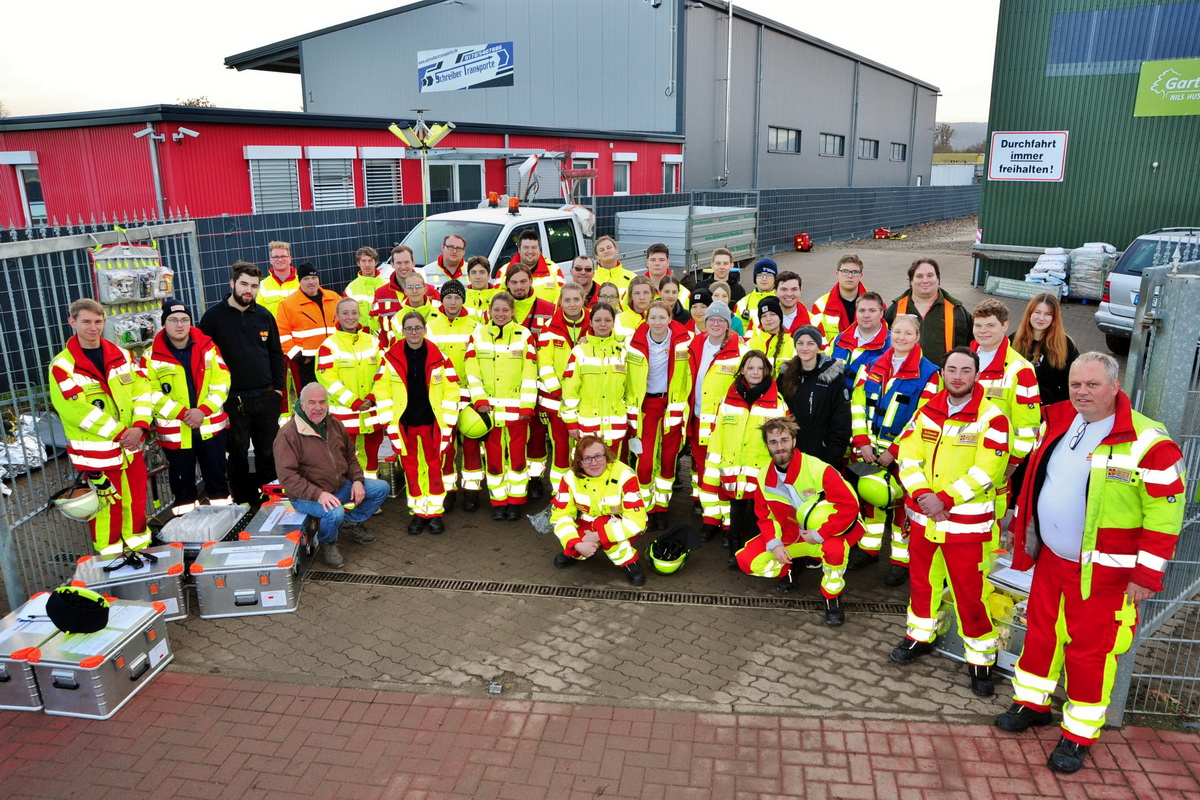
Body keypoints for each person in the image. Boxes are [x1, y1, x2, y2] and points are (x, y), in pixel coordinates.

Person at [995, 352, 1185, 774]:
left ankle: (1078, 733)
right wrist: (1022, 528)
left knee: (1091, 654)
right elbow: (1040, 479)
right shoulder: (1061, 420)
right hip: (1053, 562)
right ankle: (1032, 703)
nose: (1081, 392)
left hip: (1107, 577)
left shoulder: (1149, 443)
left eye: (1092, 385)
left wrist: (1146, 575)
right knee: (1041, 635)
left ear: (1115, 386)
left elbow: (1165, 517)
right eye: (1077, 384)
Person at [889, 347, 1011, 699]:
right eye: (951, 369)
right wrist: (924, 495)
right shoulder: (927, 411)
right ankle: (919, 638)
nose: (958, 376)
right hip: (927, 521)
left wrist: (944, 500)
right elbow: (908, 457)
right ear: (942, 373)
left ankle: (981, 662)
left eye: (965, 370)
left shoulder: (993, 419)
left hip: (966, 529)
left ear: (976, 375)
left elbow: (987, 471)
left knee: (969, 596)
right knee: (922, 585)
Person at [737, 417, 865, 627]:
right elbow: (765, 516)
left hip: (825, 536)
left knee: (835, 552)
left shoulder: (818, 469)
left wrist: (819, 534)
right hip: (790, 537)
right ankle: (790, 568)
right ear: (767, 445)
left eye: (784, 440)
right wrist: (774, 544)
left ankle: (832, 597)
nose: (780, 447)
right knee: (747, 561)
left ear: (794, 441)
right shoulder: (763, 477)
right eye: (773, 442)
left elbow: (849, 506)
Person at [49, 299, 153, 555]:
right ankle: (110, 558)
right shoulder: (62, 367)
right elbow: (77, 412)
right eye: (86, 322)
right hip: (98, 455)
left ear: (104, 321)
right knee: (107, 510)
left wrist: (139, 427)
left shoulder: (123, 355)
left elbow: (143, 393)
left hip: (131, 447)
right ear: (72, 322)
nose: (93, 328)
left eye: (98, 321)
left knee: (136, 502)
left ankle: (140, 548)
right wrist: (122, 433)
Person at [848, 314, 940, 579]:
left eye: (908, 333)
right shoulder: (874, 365)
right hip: (869, 451)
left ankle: (900, 561)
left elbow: (923, 420)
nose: (901, 337)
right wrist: (862, 442)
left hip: (904, 457)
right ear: (890, 333)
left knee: (902, 509)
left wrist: (894, 452)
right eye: (897, 332)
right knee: (871, 500)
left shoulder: (930, 374)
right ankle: (869, 548)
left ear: (918, 337)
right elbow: (857, 404)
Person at [198, 261, 286, 505]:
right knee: (236, 455)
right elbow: (204, 361)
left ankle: (270, 502)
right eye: (244, 284)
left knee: (267, 453)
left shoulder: (264, 316)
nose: (249, 290)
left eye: (254, 286)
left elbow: (276, 354)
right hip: (232, 401)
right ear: (233, 284)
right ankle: (243, 502)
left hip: (266, 397)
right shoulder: (212, 318)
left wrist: (277, 390)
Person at [274, 383, 389, 569]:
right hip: (306, 497)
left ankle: (350, 524)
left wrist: (358, 481)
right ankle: (328, 542)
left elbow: (351, 458)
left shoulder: (334, 424)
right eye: (312, 402)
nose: (318, 407)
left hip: (339, 487)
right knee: (334, 512)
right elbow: (287, 478)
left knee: (381, 488)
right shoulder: (288, 434)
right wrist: (318, 494)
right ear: (301, 405)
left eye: (322, 402)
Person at [143, 297, 232, 516]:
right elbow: (150, 394)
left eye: (185, 319)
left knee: (218, 482)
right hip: (177, 434)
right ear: (164, 324)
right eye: (173, 320)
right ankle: (188, 530)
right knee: (182, 488)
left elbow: (222, 381)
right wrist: (183, 414)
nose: (180, 324)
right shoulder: (150, 357)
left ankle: (224, 527)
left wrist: (203, 410)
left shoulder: (208, 348)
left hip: (210, 428)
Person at [375, 311, 461, 534]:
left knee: (434, 468)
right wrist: (388, 424)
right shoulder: (389, 358)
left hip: (433, 423)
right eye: (409, 328)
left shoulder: (440, 357)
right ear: (402, 331)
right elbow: (381, 391)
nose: (414, 332)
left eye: (418, 328)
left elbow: (452, 391)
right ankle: (416, 513)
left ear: (425, 329)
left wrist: (449, 423)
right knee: (411, 469)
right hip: (404, 424)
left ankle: (434, 514)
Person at [700, 351, 786, 555]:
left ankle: (758, 551)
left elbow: (783, 442)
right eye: (750, 368)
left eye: (760, 368)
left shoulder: (777, 402)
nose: (755, 372)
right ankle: (734, 549)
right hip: (733, 467)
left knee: (760, 514)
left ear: (767, 371)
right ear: (743, 371)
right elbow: (718, 433)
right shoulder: (728, 399)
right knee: (735, 511)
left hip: (761, 470)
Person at [464, 292, 538, 520]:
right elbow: (471, 371)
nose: (501, 314)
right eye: (496, 310)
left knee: (517, 457)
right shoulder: (477, 335)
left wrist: (527, 405)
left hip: (517, 412)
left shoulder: (524, 335)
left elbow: (530, 373)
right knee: (494, 459)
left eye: (505, 310)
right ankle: (498, 501)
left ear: (513, 311)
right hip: (490, 411)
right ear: (490, 310)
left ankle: (516, 501)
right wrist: (479, 400)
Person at [971, 299, 1042, 529]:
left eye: (990, 325)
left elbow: (1028, 428)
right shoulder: (962, 358)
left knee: (986, 528)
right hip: (958, 459)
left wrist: (1009, 467)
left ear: (1005, 326)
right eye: (979, 325)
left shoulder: (1020, 370)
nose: (983, 332)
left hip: (995, 467)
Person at [625, 300, 692, 530]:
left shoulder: (685, 341)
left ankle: (661, 509)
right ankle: (645, 508)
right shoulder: (632, 343)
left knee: (667, 462)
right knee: (644, 463)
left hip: (671, 407)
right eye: (652, 317)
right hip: (646, 408)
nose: (657, 322)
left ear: (670, 318)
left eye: (662, 317)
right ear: (646, 319)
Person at [550, 436, 647, 586]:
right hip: (588, 521)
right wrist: (575, 544)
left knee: (605, 529)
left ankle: (629, 562)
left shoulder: (625, 475)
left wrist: (598, 535)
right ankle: (576, 551)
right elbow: (559, 516)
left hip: (620, 522)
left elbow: (637, 522)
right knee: (576, 548)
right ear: (579, 462)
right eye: (587, 458)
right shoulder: (569, 478)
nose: (594, 462)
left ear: (606, 456)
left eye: (598, 456)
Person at [685, 301, 745, 526]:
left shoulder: (740, 351)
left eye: (721, 320)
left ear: (729, 324)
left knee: (724, 473)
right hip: (698, 420)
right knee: (704, 473)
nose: (716, 323)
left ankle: (729, 524)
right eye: (711, 319)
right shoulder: (695, 343)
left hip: (725, 425)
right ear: (705, 322)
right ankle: (710, 520)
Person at [426, 279, 482, 512]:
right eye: (448, 297)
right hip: (440, 398)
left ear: (463, 299)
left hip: (468, 396)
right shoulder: (430, 325)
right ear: (442, 299)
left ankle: (471, 492)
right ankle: (448, 491)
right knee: (446, 448)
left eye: (457, 297)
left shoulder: (475, 326)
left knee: (471, 447)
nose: (452, 302)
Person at [315, 298, 384, 480]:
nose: (350, 317)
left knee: (371, 456)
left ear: (360, 315)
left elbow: (383, 372)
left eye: (354, 312)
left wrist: (373, 396)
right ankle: (351, 496)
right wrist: (353, 401)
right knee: (345, 457)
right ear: (336, 316)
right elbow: (328, 380)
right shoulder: (329, 346)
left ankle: (370, 494)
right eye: (345, 313)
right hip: (345, 416)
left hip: (371, 412)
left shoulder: (373, 342)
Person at [506, 264, 556, 497]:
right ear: (507, 284)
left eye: (522, 281)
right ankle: (513, 476)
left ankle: (535, 478)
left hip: (540, 382)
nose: (518, 287)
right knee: (512, 435)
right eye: (514, 282)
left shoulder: (548, 308)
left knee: (536, 434)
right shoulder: (500, 308)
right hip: (508, 383)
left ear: (530, 282)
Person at [536, 282, 591, 490]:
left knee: (584, 448)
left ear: (583, 299)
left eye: (576, 299)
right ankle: (560, 495)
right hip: (556, 402)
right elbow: (545, 365)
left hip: (586, 400)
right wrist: (560, 393)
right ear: (560, 301)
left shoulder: (595, 323)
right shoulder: (549, 328)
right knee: (560, 447)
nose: (572, 304)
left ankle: (583, 491)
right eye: (567, 300)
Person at [777, 325, 851, 467]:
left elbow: (842, 418)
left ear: (818, 346)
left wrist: (834, 454)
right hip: (793, 452)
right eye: (800, 343)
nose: (805, 348)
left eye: (810, 343)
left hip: (824, 453)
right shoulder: (785, 375)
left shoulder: (832, 376)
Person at [561, 302, 628, 449]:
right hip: (587, 424)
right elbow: (569, 390)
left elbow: (629, 390)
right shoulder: (579, 351)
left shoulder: (622, 352)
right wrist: (571, 422)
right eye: (598, 320)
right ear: (590, 322)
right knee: (588, 467)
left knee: (613, 467)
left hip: (615, 426)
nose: (602, 324)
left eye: (607, 320)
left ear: (613, 322)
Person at [883, 258, 971, 367]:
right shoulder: (895, 309)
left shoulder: (957, 311)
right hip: (902, 379)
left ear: (938, 279)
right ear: (911, 281)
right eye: (919, 276)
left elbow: (970, 347)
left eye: (930, 275)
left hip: (943, 380)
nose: (925, 280)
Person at [276, 263, 340, 390]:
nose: (311, 282)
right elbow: (281, 334)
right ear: (299, 281)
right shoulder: (288, 304)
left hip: (334, 359)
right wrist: (298, 357)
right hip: (307, 363)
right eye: (306, 279)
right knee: (311, 399)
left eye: (314, 278)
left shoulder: (333, 298)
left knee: (335, 394)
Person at [1010, 292, 1079, 408]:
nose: (1041, 318)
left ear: (1054, 318)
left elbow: (1073, 382)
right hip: (1017, 407)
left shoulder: (1065, 344)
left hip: (1050, 410)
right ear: (1029, 313)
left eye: (1048, 314)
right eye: (1037, 312)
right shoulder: (1013, 340)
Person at [372, 245, 440, 347]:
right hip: (392, 354)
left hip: (428, 353)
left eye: (407, 262)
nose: (403, 267)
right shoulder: (381, 294)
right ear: (392, 264)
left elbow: (441, 323)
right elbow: (375, 327)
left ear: (413, 263)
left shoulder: (431, 292)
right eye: (399, 263)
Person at [829, 292, 891, 389]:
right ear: (856, 312)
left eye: (872, 311)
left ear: (881, 313)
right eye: (862, 310)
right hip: (837, 399)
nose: (866, 315)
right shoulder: (840, 339)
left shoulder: (892, 343)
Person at [810, 254, 867, 347]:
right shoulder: (820, 306)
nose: (850, 276)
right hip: (832, 359)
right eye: (845, 271)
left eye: (855, 272)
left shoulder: (876, 305)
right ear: (837, 274)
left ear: (861, 275)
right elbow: (817, 342)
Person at [495, 228, 563, 303]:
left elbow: (561, 301)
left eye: (534, 247)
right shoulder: (503, 272)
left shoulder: (554, 270)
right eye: (526, 247)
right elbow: (496, 302)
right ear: (519, 249)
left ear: (539, 249)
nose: (530, 251)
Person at [744, 296, 795, 375]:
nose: (768, 319)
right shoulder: (749, 345)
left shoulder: (793, 345)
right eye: (764, 316)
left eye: (772, 314)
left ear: (780, 317)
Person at [344, 246, 388, 336]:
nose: (367, 265)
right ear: (358, 263)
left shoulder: (387, 286)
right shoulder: (350, 289)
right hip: (360, 338)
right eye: (363, 261)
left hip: (383, 338)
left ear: (376, 262)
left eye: (370, 261)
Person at [259, 240, 299, 317]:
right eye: (276, 257)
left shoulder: (302, 282)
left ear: (290, 259)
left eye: (283, 256)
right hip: (273, 329)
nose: (280, 260)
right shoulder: (261, 286)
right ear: (270, 260)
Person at [767, 271, 811, 335]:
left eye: (794, 289)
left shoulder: (813, 321)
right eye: (784, 289)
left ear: (800, 291)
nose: (789, 294)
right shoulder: (760, 319)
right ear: (775, 291)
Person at [615, 276, 655, 340]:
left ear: (652, 294)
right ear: (631, 295)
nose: (642, 297)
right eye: (637, 293)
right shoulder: (618, 319)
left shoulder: (660, 317)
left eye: (646, 293)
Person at [740, 257, 777, 325]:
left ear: (775, 278)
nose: (764, 279)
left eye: (769, 275)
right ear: (755, 278)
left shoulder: (783, 300)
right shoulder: (742, 303)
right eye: (760, 275)